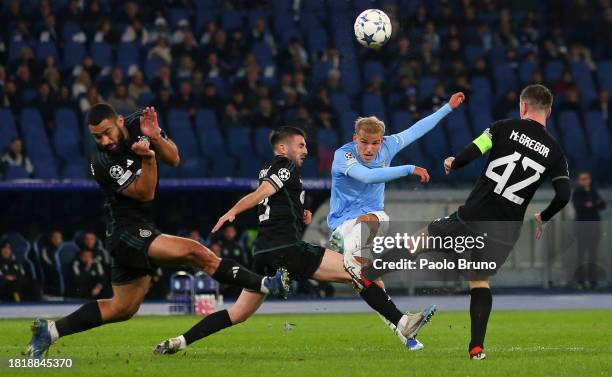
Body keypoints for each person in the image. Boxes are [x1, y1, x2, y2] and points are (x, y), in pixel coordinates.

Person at [25, 103, 289, 358]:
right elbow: (144, 193)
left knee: (122, 308)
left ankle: (50, 332)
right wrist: (149, 157)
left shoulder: (140, 122)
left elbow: (174, 158)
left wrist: (156, 139)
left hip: (141, 227)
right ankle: (267, 283)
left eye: (107, 133)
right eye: (97, 137)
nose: (104, 141)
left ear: (119, 121)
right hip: (125, 230)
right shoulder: (102, 161)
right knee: (195, 252)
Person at [153, 127, 436, 355]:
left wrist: (299, 214)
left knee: (238, 312)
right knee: (360, 272)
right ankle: (403, 323)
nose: (305, 150)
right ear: (283, 148)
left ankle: (180, 340)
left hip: (264, 252)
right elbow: (263, 192)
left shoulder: (270, 168)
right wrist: (233, 211)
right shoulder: (285, 166)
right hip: (287, 250)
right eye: (300, 145)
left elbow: (273, 199)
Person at [372, 84, 570, 360]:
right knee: (480, 281)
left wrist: (455, 162)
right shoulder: (555, 151)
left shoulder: (503, 127)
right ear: (549, 110)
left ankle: (368, 274)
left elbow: (474, 150)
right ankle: (476, 346)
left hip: (473, 217)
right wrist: (543, 216)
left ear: (523, 107)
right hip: (506, 231)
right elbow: (564, 195)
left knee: (420, 240)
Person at [328, 92, 465, 350]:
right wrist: (409, 169)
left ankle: (405, 334)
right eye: (364, 143)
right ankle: (402, 325)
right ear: (355, 139)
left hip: (365, 226)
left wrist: (447, 107)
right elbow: (366, 177)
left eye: (375, 143)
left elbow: (416, 129)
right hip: (343, 224)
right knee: (371, 261)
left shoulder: (389, 145)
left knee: (371, 273)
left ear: (382, 140)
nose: (370, 149)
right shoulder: (343, 156)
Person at [572, 171, 606, 289]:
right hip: (582, 229)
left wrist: (592, 205)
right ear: (579, 180)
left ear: (590, 180)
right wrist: (593, 205)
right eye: (582, 179)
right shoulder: (577, 193)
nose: (584, 181)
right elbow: (580, 207)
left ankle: (593, 280)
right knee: (580, 255)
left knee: (593, 256)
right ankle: (580, 280)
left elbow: (602, 205)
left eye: (586, 178)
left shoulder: (593, 191)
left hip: (594, 229)